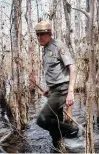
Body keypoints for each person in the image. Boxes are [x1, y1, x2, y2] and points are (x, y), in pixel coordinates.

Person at [34, 21, 80, 152]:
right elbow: (55, 72)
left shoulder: (58, 46)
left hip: (62, 89)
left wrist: (70, 91)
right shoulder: (45, 49)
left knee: (42, 120)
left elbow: (73, 68)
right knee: (54, 131)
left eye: (42, 34)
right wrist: (49, 88)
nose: (39, 37)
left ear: (49, 34)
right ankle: (59, 148)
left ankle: (75, 131)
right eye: (37, 35)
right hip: (54, 90)